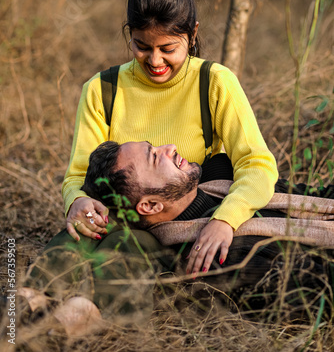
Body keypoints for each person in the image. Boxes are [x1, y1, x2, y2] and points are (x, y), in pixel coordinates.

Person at [62, 0, 279, 272]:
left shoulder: (214, 82)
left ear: (192, 36)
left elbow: (257, 164)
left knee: (125, 252)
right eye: (142, 46)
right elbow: (80, 173)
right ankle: (29, 304)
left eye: (167, 49)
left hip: (182, 222)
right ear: (130, 35)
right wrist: (76, 201)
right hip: (114, 214)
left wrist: (225, 220)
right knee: (72, 241)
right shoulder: (102, 89)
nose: (155, 61)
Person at [21, 140, 333, 329]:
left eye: (154, 147)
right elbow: (320, 289)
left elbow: (314, 194)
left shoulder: (220, 176)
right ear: (151, 205)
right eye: (155, 157)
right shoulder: (217, 259)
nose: (170, 148)